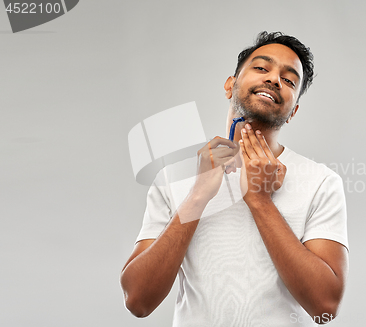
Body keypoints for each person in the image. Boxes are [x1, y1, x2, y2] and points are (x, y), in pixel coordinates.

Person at [120, 31, 349, 326]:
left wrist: (259, 199)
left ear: (293, 111)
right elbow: (138, 300)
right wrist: (198, 195)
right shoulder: (173, 177)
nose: (274, 79)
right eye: (261, 68)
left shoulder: (321, 182)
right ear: (230, 85)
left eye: (289, 80)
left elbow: (325, 306)